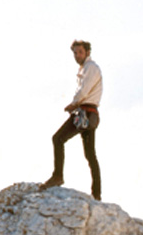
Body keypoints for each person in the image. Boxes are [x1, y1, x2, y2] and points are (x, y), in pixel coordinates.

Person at [41, 40, 103, 199]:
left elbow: (84, 91)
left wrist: (72, 104)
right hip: (90, 114)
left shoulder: (90, 67)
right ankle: (97, 194)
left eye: (80, 52)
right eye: (75, 53)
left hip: (85, 112)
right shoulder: (86, 68)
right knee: (90, 155)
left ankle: (57, 176)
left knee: (58, 139)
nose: (77, 55)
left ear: (87, 52)